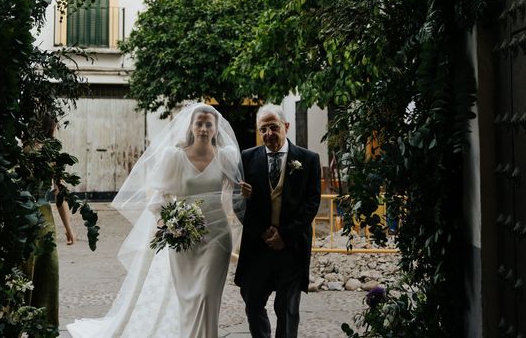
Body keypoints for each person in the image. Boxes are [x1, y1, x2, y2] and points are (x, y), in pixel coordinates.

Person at [67, 103, 244, 338]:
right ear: (191, 127)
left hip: (217, 234)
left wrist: (247, 194)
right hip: (186, 235)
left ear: (215, 128)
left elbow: (237, 191)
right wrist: (171, 223)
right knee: (189, 297)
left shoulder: (227, 156)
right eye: (198, 123)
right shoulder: (175, 156)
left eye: (208, 124)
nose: (203, 128)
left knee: (207, 294)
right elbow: (159, 198)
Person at [235, 104, 321, 338]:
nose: (268, 134)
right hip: (258, 247)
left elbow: (312, 204)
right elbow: (239, 202)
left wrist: (285, 235)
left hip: (291, 247)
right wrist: (262, 232)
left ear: (286, 126)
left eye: (273, 127)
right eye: (263, 129)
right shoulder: (246, 158)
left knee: (287, 309)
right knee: (253, 303)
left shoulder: (309, 159)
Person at [24, 114, 76, 327]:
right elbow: (59, 193)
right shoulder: (50, 153)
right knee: (47, 273)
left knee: (26, 271)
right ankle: (44, 326)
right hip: (43, 218)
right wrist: (68, 228)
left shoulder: (22, 149)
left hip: (22, 213)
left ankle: (18, 321)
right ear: (51, 126)